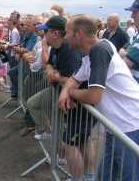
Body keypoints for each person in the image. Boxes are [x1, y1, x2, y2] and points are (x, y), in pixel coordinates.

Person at [59, 14, 139, 181]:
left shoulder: (99, 50)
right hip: (117, 127)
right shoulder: (91, 52)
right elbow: (74, 79)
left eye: (67, 32)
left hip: (129, 125)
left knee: (127, 176)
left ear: (79, 34)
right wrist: (65, 92)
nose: (65, 37)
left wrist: (72, 93)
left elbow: (94, 96)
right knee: (105, 176)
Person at [121, 0, 139, 83]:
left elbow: (124, 65)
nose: (132, 16)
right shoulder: (136, 34)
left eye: (135, 12)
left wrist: (126, 53)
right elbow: (122, 50)